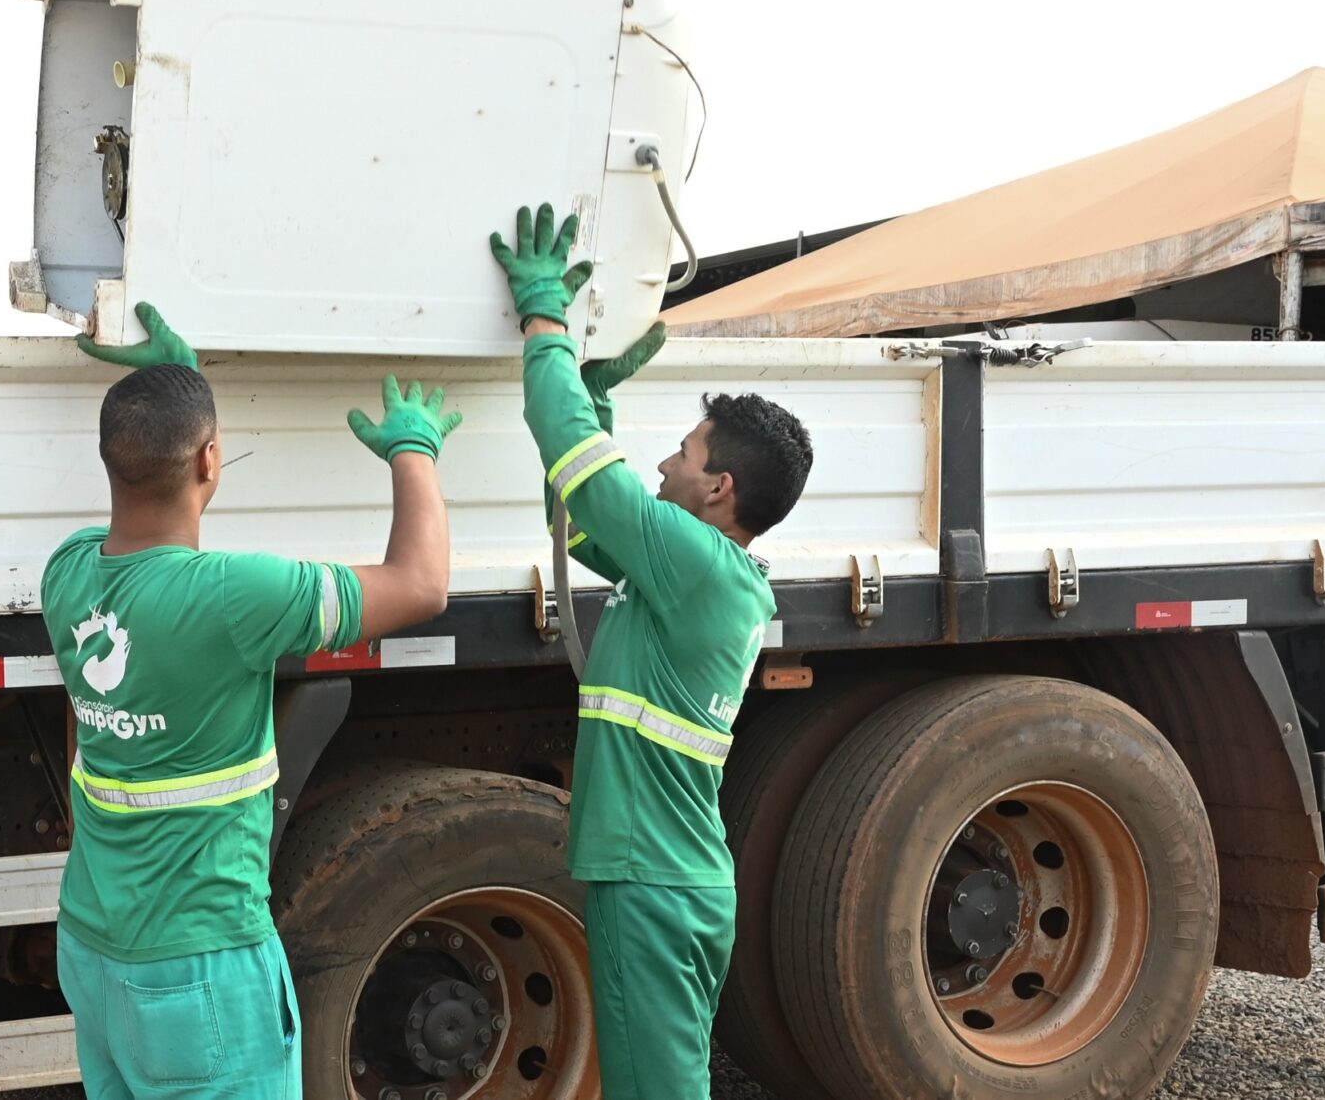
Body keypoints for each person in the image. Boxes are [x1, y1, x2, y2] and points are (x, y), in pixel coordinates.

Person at [44, 302, 458, 1099]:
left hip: (94, 951)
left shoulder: (67, 574)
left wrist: (183, 387)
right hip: (200, 964)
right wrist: (415, 448)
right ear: (209, 461)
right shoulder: (233, 599)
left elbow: (151, 504)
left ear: (109, 463)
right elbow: (421, 585)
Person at [490, 205, 814, 1099]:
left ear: (719, 487)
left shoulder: (696, 562)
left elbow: (573, 459)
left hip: (653, 889)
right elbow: (581, 517)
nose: (664, 465)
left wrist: (546, 321)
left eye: (681, 452)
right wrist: (595, 401)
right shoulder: (710, 570)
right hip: (672, 883)